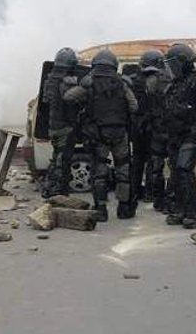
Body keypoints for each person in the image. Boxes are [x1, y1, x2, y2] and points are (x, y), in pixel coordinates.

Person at [64, 49, 139, 222]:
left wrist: (79, 87)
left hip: (98, 135)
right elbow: (134, 106)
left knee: (100, 172)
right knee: (123, 171)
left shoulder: (89, 83)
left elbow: (68, 97)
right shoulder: (122, 83)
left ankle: (100, 209)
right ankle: (124, 208)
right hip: (120, 134)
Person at [162, 43, 196, 229]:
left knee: (184, 169)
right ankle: (178, 209)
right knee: (176, 171)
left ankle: (193, 212)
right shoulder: (174, 84)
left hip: (193, 133)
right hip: (175, 134)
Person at [128, 51, 170, 208]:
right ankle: (150, 194)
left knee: (137, 160)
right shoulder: (161, 79)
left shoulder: (134, 80)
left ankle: (135, 192)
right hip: (153, 126)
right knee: (153, 161)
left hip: (137, 127)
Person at [42, 47, 80, 198]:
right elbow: (74, 100)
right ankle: (59, 192)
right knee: (63, 162)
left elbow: (46, 101)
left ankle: (49, 189)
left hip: (53, 127)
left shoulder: (49, 80)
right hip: (65, 127)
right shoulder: (69, 82)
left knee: (56, 159)